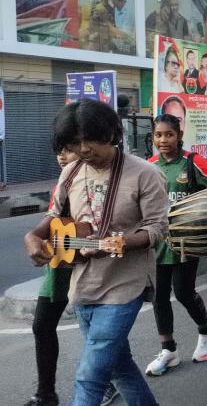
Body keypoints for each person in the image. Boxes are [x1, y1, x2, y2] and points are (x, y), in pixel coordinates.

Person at [25, 99, 168, 406]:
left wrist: (123, 242)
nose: (84, 148)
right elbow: (54, 215)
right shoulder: (72, 171)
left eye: (90, 139)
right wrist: (34, 234)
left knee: (90, 376)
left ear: (111, 133)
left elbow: (158, 228)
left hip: (123, 285)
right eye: (75, 142)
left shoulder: (145, 173)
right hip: (83, 286)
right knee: (118, 367)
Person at [26, 147, 122, 406]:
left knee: (97, 332)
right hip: (58, 266)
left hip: (89, 265)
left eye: (68, 150)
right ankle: (46, 394)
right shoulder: (62, 183)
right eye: (58, 150)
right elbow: (52, 220)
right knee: (42, 326)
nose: (61, 156)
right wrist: (35, 236)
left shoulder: (98, 182)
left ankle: (109, 383)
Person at [145, 115, 207, 376]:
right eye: (158, 135)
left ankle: (206, 332)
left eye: (169, 134)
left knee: (184, 292)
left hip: (188, 241)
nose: (163, 140)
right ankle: (169, 350)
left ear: (179, 135)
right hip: (158, 244)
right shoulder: (149, 166)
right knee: (159, 297)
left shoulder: (194, 162)